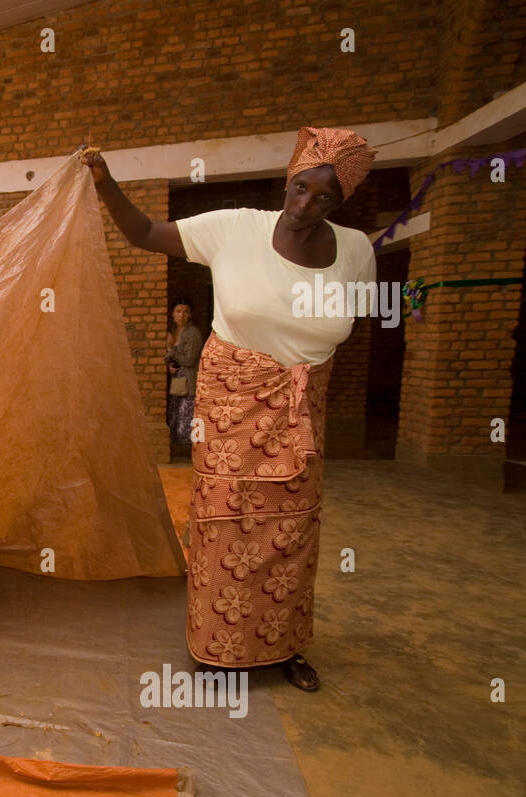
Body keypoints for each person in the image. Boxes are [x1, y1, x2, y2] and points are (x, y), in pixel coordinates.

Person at [82, 127, 378, 691]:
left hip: (299, 412)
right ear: (288, 180)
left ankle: (286, 644)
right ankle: (219, 648)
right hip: (230, 413)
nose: (305, 205)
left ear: (340, 203)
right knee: (225, 527)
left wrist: (299, 368)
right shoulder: (235, 228)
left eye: (324, 198)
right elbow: (144, 232)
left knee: (293, 530)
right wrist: (106, 183)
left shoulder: (357, 249)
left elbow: (348, 325)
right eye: (300, 189)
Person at [164, 296, 202, 455]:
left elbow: (189, 359)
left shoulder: (192, 333)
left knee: (187, 419)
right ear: (172, 314)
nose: (181, 315)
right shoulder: (173, 331)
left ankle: (192, 455)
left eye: (185, 312)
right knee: (176, 418)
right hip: (177, 382)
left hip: (188, 381)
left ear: (191, 314)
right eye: (178, 311)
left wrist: (171, 352)